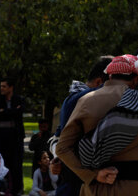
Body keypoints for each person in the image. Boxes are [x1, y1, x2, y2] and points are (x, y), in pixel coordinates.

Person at [56, 27, 138, 196]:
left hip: (95, 188)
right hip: (137, 188)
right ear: (136, 79)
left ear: (109, 76)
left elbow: (62, 148)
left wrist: (93, 175)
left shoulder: (85, 101)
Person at [49, 56, 113, 196]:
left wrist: (56, 156)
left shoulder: (74, 98)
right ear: (99, 82)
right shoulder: (81, 98)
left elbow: (58, 136)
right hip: (75, 182)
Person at [0, 78, 24, 195]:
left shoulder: (18, 99)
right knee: (1, 161)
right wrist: (13, 111)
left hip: (15, 136)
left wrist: (5, 111)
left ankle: (16, 188)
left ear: (11, 87)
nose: (1, 88)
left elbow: (19, 114)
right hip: (0, 136)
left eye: (4, 86)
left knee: (15, 163)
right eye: (1, 86)